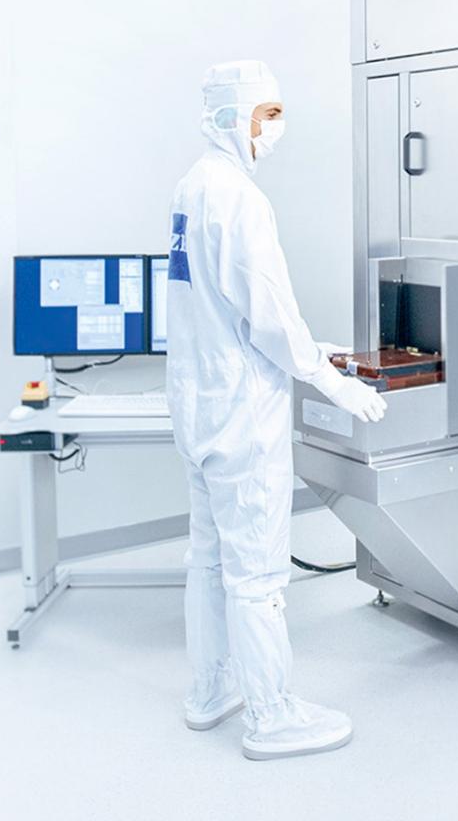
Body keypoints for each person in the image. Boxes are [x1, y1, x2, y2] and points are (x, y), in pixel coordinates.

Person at [164, 59, 387, 762]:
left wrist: (312, 346)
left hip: (200, 406)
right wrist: (334, 380)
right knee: (258, 576)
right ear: (234, 119)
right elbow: (268, 315)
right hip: (241, 416)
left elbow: (224, 306)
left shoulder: (192, 186)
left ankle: (210, 691)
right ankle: (271, 716)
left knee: (208, 559)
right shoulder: (240, 199)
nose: (277, 129)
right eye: (268, 116)